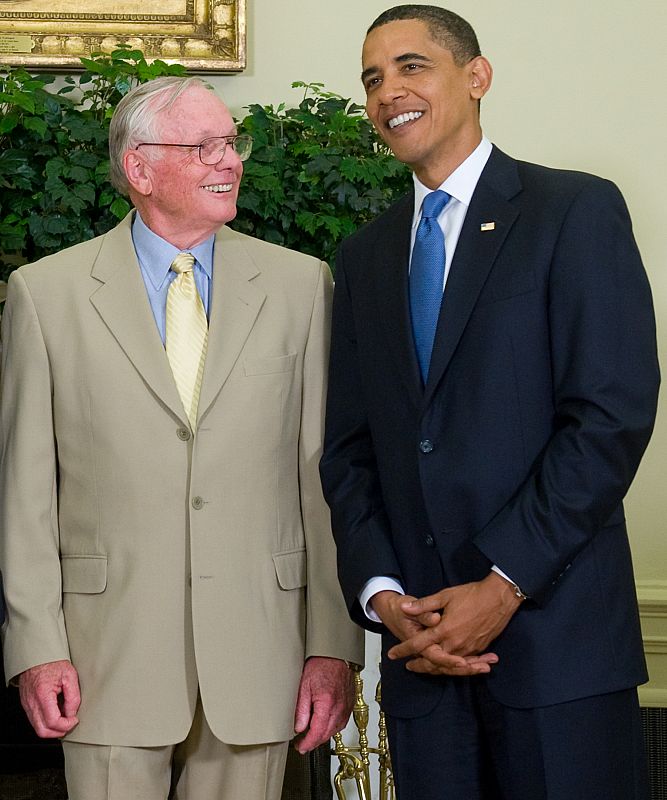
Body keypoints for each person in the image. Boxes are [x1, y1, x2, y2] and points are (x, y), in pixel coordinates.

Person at [319, 5, 660, 799]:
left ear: (476, 77)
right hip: (422, 664)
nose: (386, 92)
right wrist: (382, 596)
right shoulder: (363, 256)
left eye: (410, 66)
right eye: (371, 78)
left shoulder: (572, 210)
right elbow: (349, 448)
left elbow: (608, 415)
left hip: (558, 652)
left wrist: (502, 584)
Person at [0, 75, 363, 800]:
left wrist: (332, 644)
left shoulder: (302, 286)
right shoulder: (47, 294)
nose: (228, 160)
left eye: (232, 143)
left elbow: (324, 478)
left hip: (262, 653)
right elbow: (26, 495)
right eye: (204, 146)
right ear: (139, 168)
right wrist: (36, 647)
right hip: (106, 656)